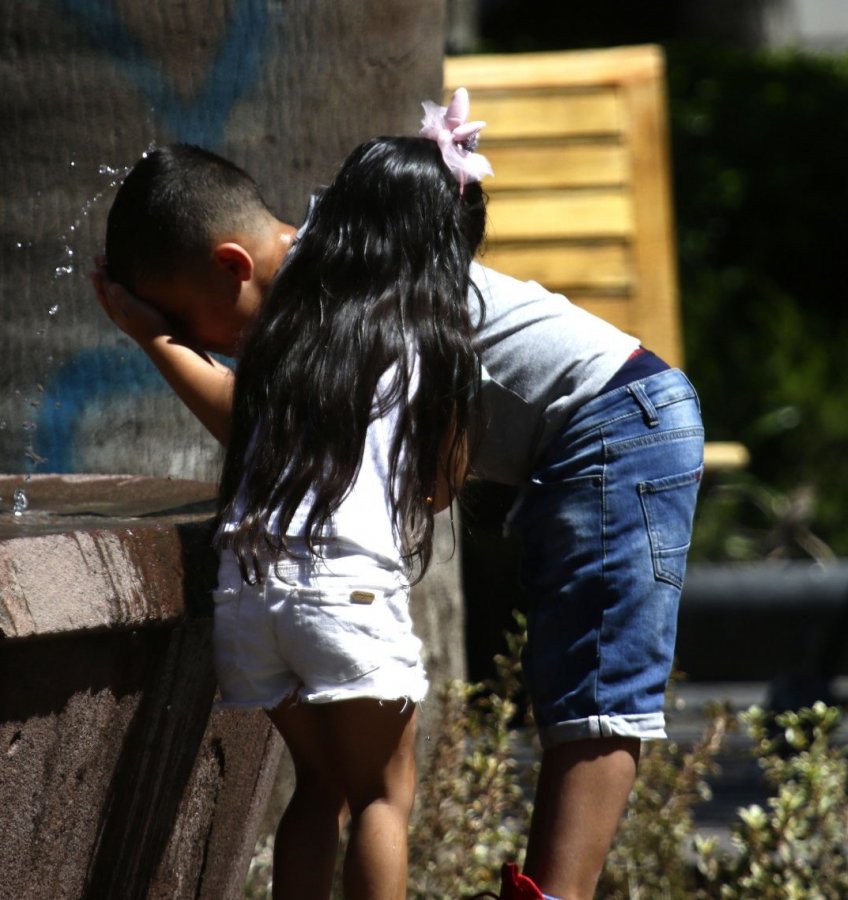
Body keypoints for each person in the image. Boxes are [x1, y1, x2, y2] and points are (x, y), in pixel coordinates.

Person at [93, 91, 704, 900]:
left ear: (232, 268)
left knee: (595, 676)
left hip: (619, 413)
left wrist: (153, 341)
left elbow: (257, 427)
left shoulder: (344, 280)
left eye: (190, 323)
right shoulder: (342, 274)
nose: (207, 347)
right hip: (571, 433)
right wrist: (164, 333)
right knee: (499, 718)